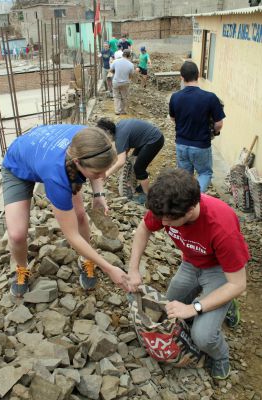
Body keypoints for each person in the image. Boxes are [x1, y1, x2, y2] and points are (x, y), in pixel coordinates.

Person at [128, 168, 249, 380]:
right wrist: (133, 269)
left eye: (169, 221)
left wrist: (194, 307)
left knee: (202, 337)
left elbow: (238, 284)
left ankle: (221, 355)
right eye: (161, 218)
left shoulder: (222, 228)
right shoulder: (167, 206)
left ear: (191, 209)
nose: (162, 224)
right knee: (169, 310)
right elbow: (143, 229)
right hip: (191, 263)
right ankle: (217, 304)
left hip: (221, 272)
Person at [2, 124, 130, 297]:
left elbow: (97, 166)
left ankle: (87, 259)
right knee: (17, 235)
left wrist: (98, 194)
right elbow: (72, 236)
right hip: (18, 166)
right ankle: (22, 269)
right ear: (77, 162)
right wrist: (108, 268)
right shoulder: (57, 176)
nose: (103, 176)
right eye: (98, 172)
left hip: (45, 155)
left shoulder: (90, 139)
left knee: (79, 216)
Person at [169, 61, 225, 192]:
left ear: (181, 77)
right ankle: (195, 200)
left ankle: (185, 202)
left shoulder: (175, 97)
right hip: (201, 145)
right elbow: (219, 124)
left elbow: (173, 118)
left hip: (181, 144)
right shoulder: (210, 98)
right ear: (198, 75)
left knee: (184, 177)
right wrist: (214, 132)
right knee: (205, 173)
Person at [97, 118, 164, 204]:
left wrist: (106, 174)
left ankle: (147, 196)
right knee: (134, 161)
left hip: (155, 140)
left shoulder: (120, 137)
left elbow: (121, 161)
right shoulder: (119, 127)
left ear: (108, 132)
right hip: (148, 138)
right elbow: (125, 149)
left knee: (139, 168)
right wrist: (112, 165)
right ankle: (141, 187)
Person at [110, 49, 134, 115]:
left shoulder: (116, 61)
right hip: (125, 82)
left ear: (122, 54)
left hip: (116, 82)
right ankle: (123, 111)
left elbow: (111, 70)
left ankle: (117, 111)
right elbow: (131, 75)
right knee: (124, 96)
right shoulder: (131, 64)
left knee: (116, 96)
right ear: (129, 56)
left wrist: (115, 73)